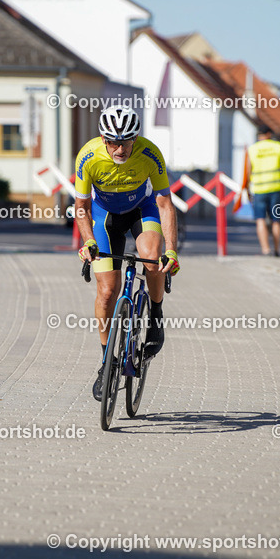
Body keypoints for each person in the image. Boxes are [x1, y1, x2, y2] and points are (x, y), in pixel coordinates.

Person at [75, 106, 179, 401]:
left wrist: (171, 250)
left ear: (136, 138)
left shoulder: (150, 153)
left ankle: (155, 316)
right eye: (113, 142)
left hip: (140, 210)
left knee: (152, 256)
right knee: (107, 290)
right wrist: (88, 241)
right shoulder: (88, 156)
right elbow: (81, 208)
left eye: (126, 142)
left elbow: (164, 204)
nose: (120, 148)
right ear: (103, 138)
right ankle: (107, 361)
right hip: (104, 216)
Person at [247, 126, 280, 257]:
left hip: (259, 189)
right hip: (276, 188)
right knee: (276, 220)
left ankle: (265, 250)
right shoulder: (277, 146)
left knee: (260, 219)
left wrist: (247, 189)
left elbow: (248, 172)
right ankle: (276, 250)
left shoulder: (252, 149)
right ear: (269, 134)